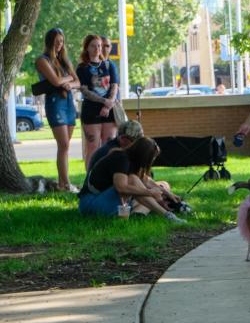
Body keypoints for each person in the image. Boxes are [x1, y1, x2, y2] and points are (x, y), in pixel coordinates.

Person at [78, 136, 185, 223]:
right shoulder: (121, 158)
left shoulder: (128, 158)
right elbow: (121, 188)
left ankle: (152, 212)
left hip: (102, 200)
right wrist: (150, 192)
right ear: (143, 156)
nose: (151, 162)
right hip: (90, 204)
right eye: (151, 158)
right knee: (133, 181)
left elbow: (145, 180)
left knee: (161, 185)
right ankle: (167, 215)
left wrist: (167, 193)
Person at [35, 28, 80, 192]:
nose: (59, 45)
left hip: (68, 103)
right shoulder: (42, 60)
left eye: (61, 41)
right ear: (49, 42)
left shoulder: (65, 60)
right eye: (56, 41)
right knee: (63, 144)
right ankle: (67, 184)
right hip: (55, 103)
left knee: (66, 146)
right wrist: (69, 79)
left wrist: (70, 83)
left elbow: (78, 82)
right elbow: (55, 81)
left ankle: (62, 184)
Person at [76, 34, 119, 169]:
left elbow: (114, 85)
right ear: (86, 48)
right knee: (93, 146)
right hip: (91, 111)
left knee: (109, 145)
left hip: (110, 111)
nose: (97, 49)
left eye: (99, 45)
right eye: (93, 46)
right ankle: (90, 178)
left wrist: (109, 103)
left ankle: (109, 176)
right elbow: (84, 90)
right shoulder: (82, 68)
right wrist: (103, 101)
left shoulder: (109, 65)